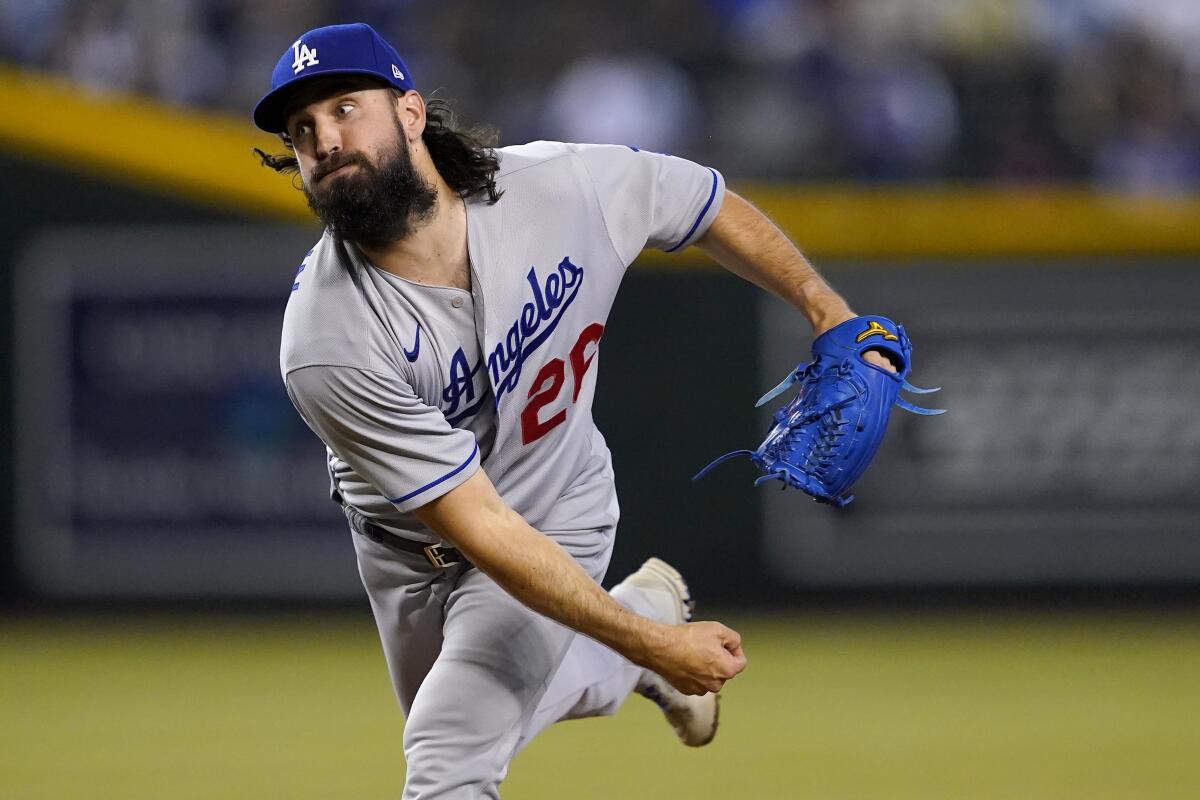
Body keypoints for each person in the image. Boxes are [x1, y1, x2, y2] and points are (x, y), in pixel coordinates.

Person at [253, 22, 890, 800]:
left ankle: (626, 642)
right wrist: (651, 641)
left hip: (558, 507)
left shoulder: (557, 187)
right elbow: (479, 525)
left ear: (411, 113)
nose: (325, 138)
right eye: (303, 130)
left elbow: (702, 201)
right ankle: (634, 639)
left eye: (345, 107)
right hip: (408, 557)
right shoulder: (326, 338)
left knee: (449, 750)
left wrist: (826, 309)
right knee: (478, 717)